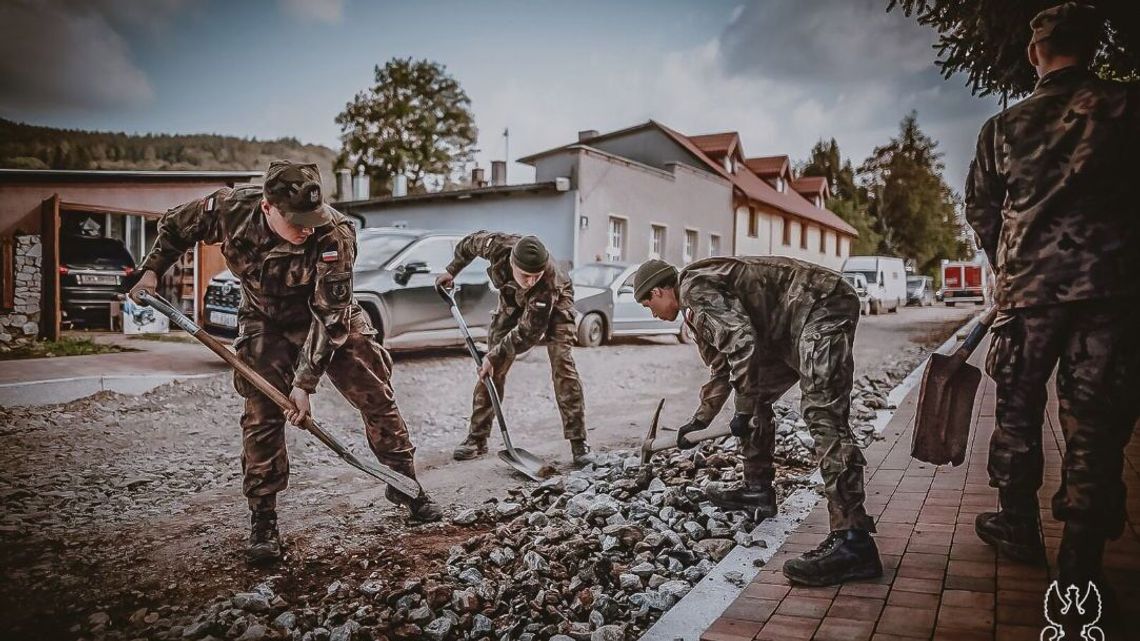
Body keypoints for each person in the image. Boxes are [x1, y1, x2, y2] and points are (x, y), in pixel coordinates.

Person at [128, 160, 442, 563]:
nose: (307, 228)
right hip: (264, 318)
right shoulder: (228, 209)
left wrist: (304, 383)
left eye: (313, 218)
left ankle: (405, 483)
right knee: (261, 412)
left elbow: (330, 316)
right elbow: (175, 227)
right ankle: (263, 519)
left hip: (329, 316)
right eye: (297, 221)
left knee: (375, 394)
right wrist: (152, 270)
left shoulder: (334, 236)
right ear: (267, 207)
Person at [965, 2, 1139, 593]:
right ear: (1092, 47)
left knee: (1016, 411)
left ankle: (1017, 526)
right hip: (1110, 291)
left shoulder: (1004, 128)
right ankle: (1079, 564)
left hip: (1028, 296)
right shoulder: (1126, 109)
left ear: (1035, 51)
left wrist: (1008, 262)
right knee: (1095, 421)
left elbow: (982, 211)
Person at [634, 256, 881, 586]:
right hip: (788, 326)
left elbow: (743, 344)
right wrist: (699, 421)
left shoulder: (694, 290)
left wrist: (745, 413)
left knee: (823, 413)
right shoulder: (697, 312)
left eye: (649, 302)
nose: (652, 312)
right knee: (754, 394)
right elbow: (723, 368)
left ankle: (854, 541)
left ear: (663, 289)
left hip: (823, 305)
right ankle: (757, 489)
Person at [435, 232, 593, 466]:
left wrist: (494, 355)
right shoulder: (497, 246)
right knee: (490, 370)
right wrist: (452, 270)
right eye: (525, 275)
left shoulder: (546, 281)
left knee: (562, 364)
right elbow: (469, 244)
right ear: (512, 263)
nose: (530, 281)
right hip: (512, 301)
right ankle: (477, 438)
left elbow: (529, 333)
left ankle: (579, 442)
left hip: (558, 304)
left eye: (535, 276)